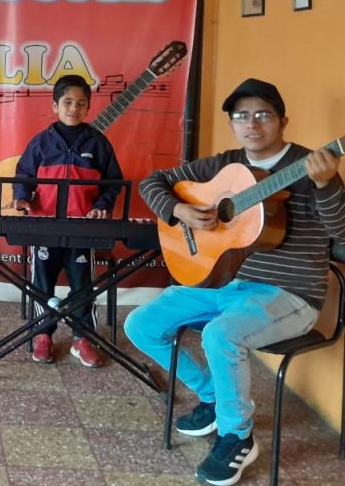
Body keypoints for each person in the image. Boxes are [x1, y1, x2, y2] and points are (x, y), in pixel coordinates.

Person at [125, 78, 345, 486]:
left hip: (290, 294)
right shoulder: (225, 165)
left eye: (263, 114)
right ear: (232, 124)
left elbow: (343, 233)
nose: (252, 123)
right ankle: (212, 395)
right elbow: (151, 182)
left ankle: (237, 436)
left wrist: (326, 183)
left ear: (282, 121)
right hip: (227, 284)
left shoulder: (311, 165)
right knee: (141, 324)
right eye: (241, 116)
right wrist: (181, 212)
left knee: (221, 335)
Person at [7, 74, 124, 368]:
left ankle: (82, 337)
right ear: (55, 105)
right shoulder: (41, 142)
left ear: (88, 108)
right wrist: (22, 197)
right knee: (41, 285)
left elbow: (113, 182)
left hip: (83, 228)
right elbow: (24, 175)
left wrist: (101, 206)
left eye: (81, 104)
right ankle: (43, 335)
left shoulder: (98, 143)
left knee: (82, 285)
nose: (74, 109)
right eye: (68, 102)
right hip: (45, 227)